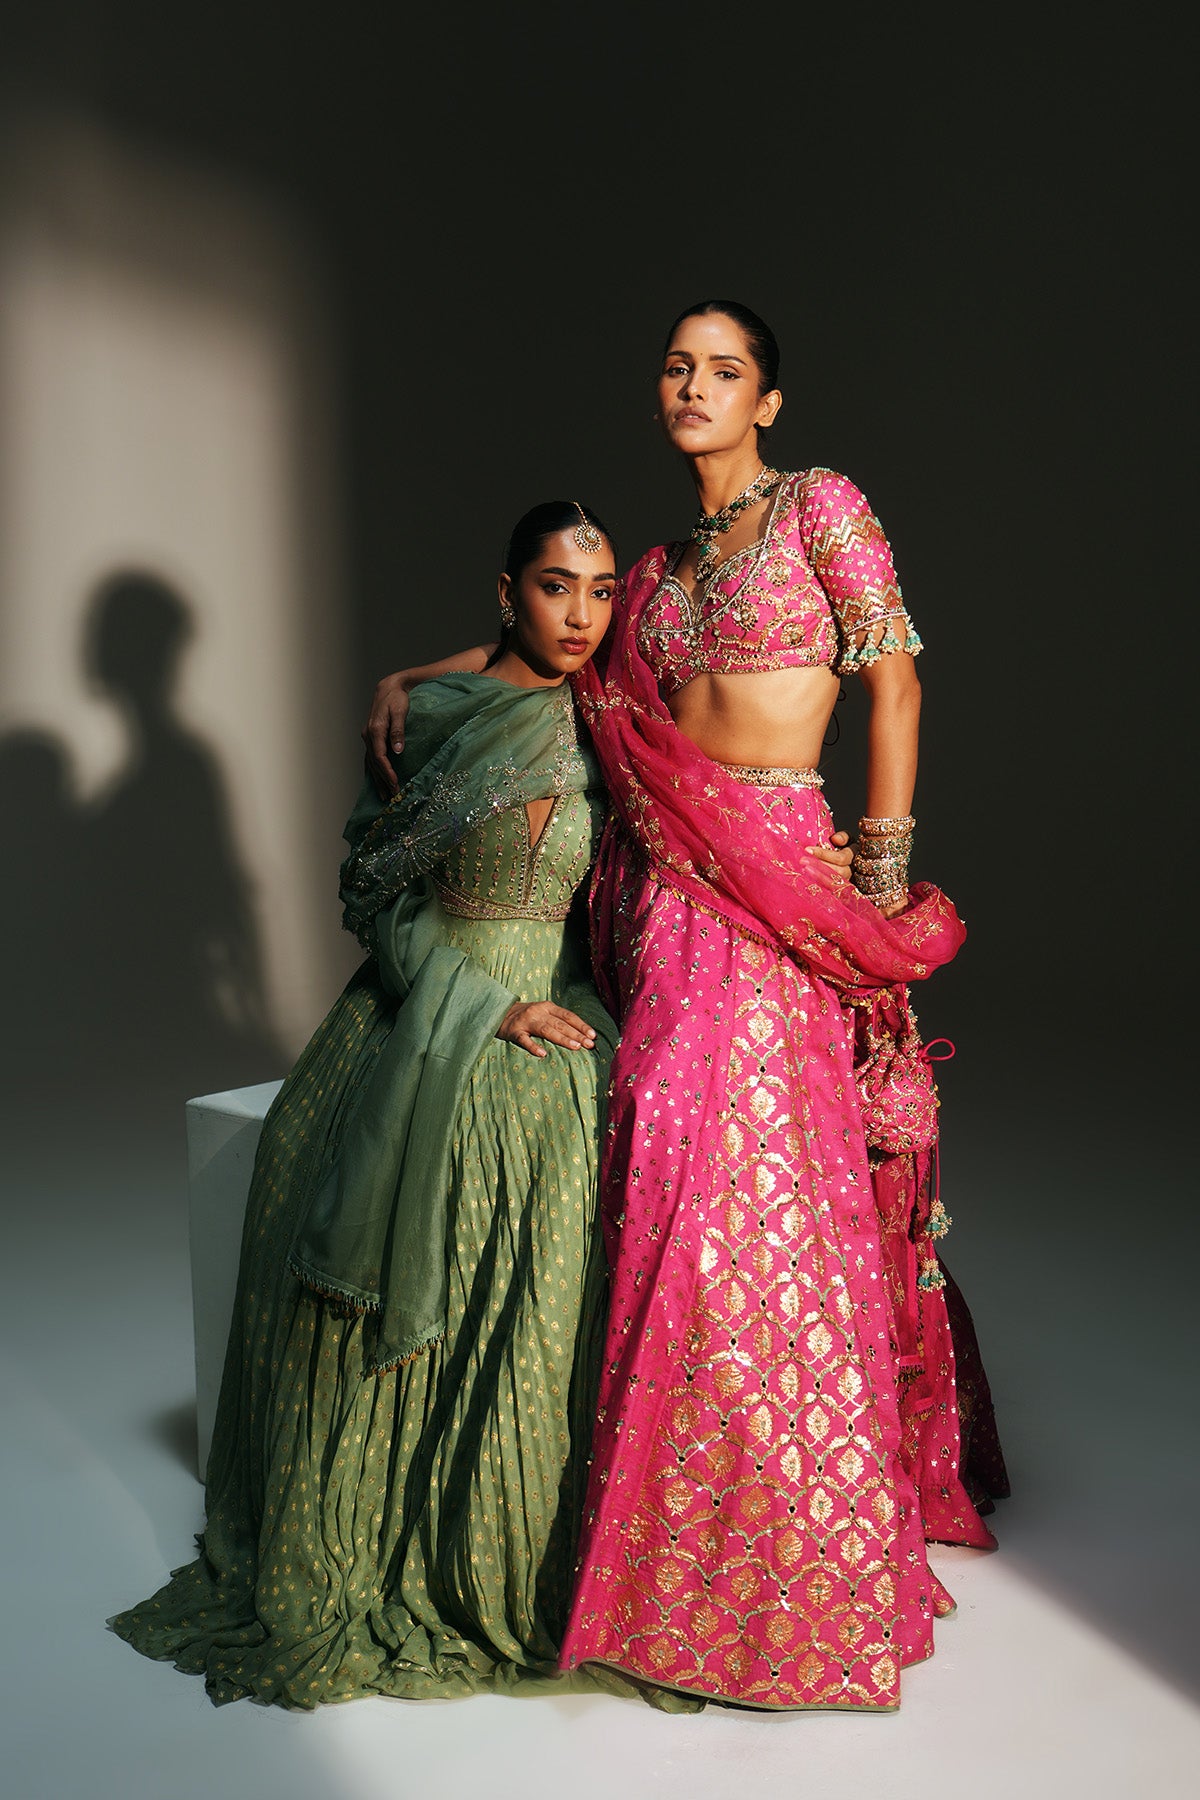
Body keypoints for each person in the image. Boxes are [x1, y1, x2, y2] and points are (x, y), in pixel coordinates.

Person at [363, 301, 1008, 1713]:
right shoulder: (650, 574)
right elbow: (565, 677)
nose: (693, 387)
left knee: (772, 1194)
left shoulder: (822, 508)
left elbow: (896, 683)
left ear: (766, 401)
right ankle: (665, 1553)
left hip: (783, 877)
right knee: (659, 1162)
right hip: (666, 895)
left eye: (724, 371)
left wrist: (877, 876)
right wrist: (417, 677)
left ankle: (802, 1552)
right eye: (676, 367)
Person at [110, 501, 696, 1710]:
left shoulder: (609, 713)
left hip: (567, 992)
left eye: (599, 593)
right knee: (434, 1166)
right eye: (554, 587)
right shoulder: (433, 721)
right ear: (506, 591)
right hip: (438, 994)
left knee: (606, 1160)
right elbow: (379, 897)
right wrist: (488, 1008)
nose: (581, 617)